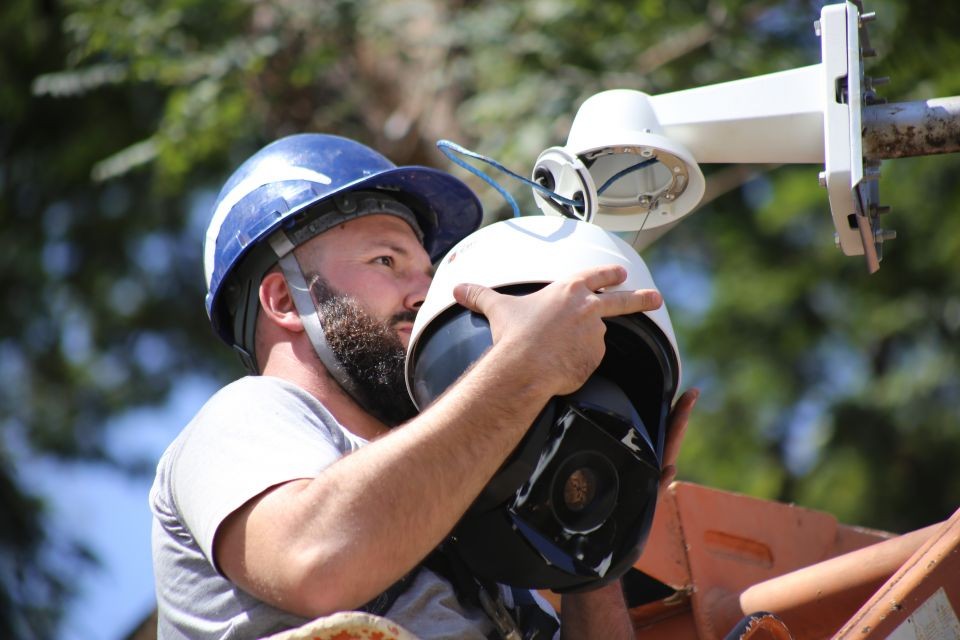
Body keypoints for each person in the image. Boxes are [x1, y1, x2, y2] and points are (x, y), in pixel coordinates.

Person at [150, 133, 698, 640]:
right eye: (386, 260)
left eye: (430, 271)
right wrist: (521, 370)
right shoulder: (246, 416)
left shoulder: (460, 493)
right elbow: (316, 561)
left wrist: (599, 517)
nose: (425, 293)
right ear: (284, 300)